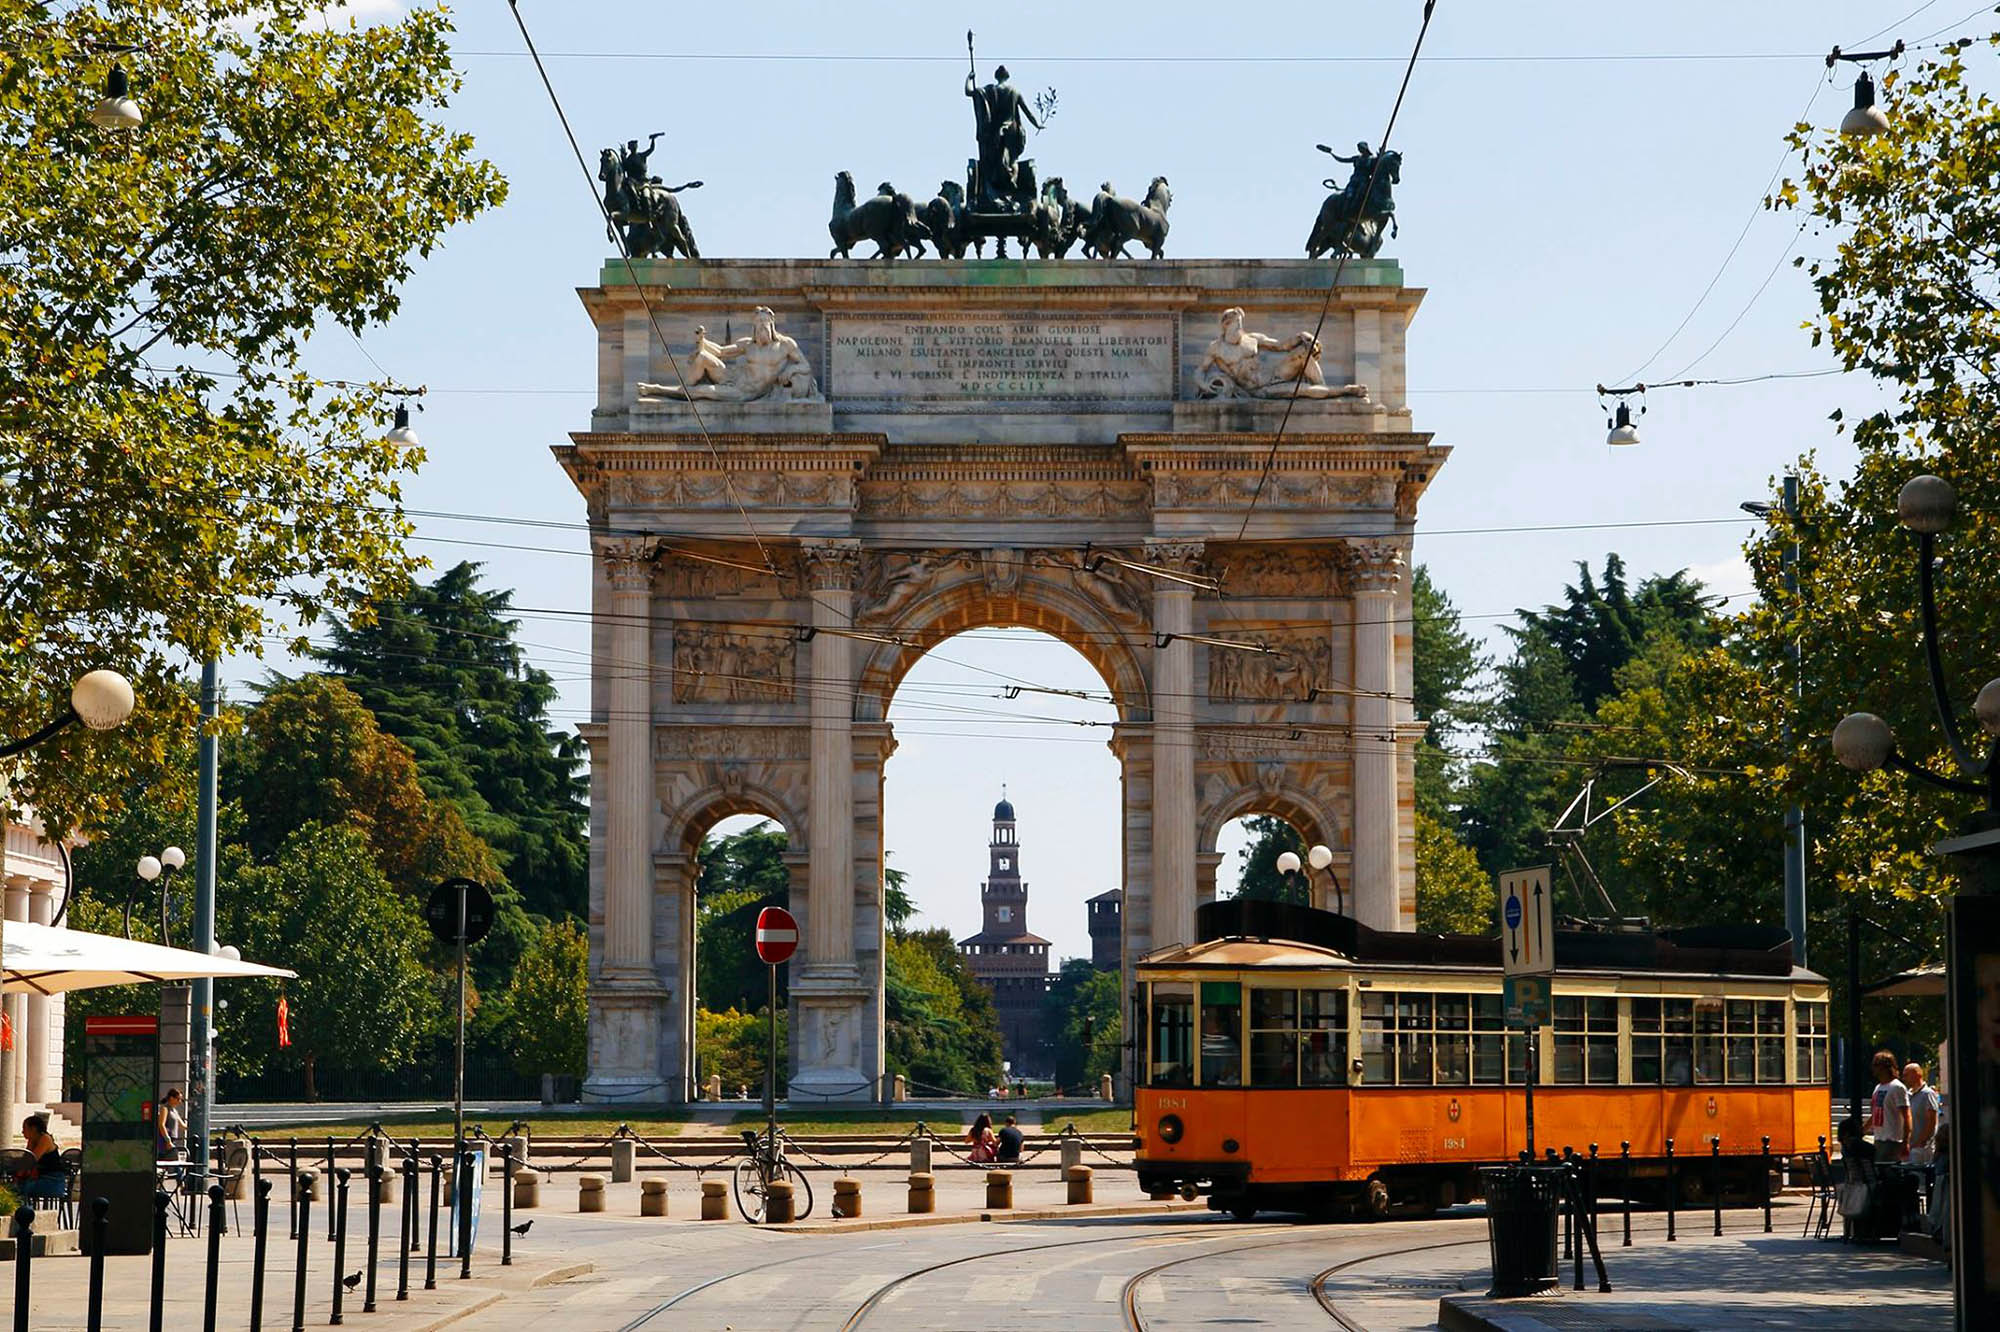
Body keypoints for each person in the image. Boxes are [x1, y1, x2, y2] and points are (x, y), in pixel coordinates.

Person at [15, 1115, 67, 1211]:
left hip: (53, 1182)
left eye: (24, 1128)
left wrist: (20, 1173)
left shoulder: (45, 1139)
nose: (22, 1132)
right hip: (40, 1179)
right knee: (15, 1186)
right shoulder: (33, 1140)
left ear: (33, 1129)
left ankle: (24, 1214)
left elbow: (32, 1160)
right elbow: (25, 1161)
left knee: (20, 1189)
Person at [1869, 1051, 1910, 1161]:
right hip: (1879, 1139)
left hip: (1892, 1141)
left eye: (1876, 1065)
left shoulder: (1897, 1087)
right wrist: (1862, 1130)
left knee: (1888, 1174)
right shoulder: (1878, 1088)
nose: (1873, 1068)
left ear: (1885, 1067)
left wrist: (1905, 1141)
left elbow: (1907, 1116)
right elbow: (1875, 1114)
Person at [1904, 1061, 1941, 1168]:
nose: (1904, 1077)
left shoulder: (1928, 1093)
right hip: (1912, 1147)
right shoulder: (1909, 1094)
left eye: (1907, 1074)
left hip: (1922, 1148)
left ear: (1917, 1074)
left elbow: (1932, 1120)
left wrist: (1921, 1141)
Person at [1200, 1006, 1241, 1087]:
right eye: (1207, 1019)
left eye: (1209, 1019)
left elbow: (1233, 1071)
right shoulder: (1201, 1044)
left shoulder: (1230, 1046)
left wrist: (1226, 1075)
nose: (1204, 1022)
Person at [156, 1087, 186, 1160]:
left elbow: (182, 1125)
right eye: (178, 1099)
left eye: (181, 1100)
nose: (179, 1102)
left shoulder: (174, 1111)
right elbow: (161, 1125)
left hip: (172, 1140)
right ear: (171, 1098)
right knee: (170, 1161)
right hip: (165, 1140)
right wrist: (167, 1140)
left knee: (171, 1162)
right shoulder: (165, 1108)